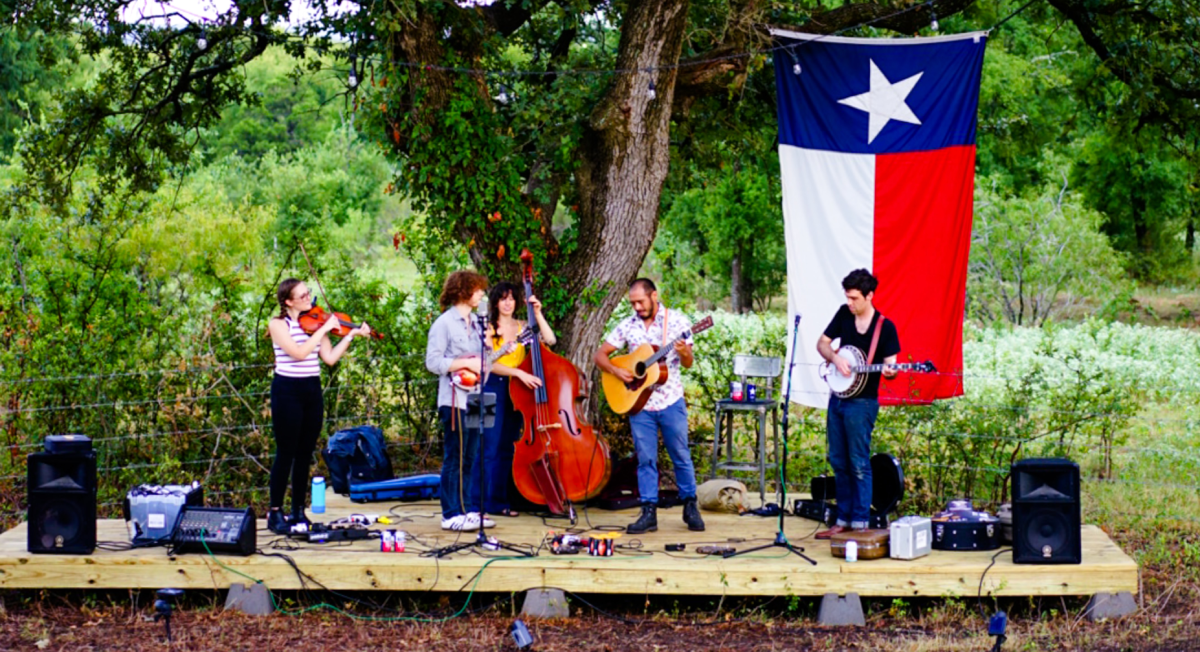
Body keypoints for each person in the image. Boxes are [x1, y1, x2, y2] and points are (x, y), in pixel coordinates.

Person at [593, 278, 705, 534]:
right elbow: (600, 355)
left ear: (654, 296)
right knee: (645, 459)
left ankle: (690, 505)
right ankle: (648, 511)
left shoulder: (676, 322)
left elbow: (687, 362)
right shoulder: (628, 325)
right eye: (632, 303)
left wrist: (684, 352)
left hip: (670, 401)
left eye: (640, 301)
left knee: (681, 454)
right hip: (639, 404)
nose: (637, 307)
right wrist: (617, 371)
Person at [267, 278, 371, 535]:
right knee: (285, 453)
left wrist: (352, 335)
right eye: (302, 296)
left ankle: (297, 511)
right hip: (287, 390)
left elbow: (330, 358)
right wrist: (323, 330)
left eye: (308, 294)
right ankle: (275, 511)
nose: (308, 298)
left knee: (304, 454)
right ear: (288, 301)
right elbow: (299, 353)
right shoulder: (278, 324)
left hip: (311, 390)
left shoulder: (314, 323)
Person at [814, 268, 901, 539]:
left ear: (869, 295)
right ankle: (843, 518)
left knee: (859, 463)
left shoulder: (884, 328)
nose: (849, 303)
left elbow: (892, 366)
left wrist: (891, 372)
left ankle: (861, 522)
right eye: (847, 298)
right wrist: (835, 358)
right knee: (838, 460)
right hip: (837, 399)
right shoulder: (843, 314)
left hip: (862, 403)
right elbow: (822, 344)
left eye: (854, 298)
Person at [425, 270, 496, 532]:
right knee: (455, 455)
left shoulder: (478, 322)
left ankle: (468, 510)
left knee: (473, 456)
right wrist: (463, 363)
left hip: (479, 396)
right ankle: (450, 513)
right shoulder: (444, 324)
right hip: (454, 398)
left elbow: (483, 363)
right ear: (464, 291)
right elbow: (432, 362)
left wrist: (494, 350)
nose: (481, 294)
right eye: (477, 290)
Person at [482, 282, 555, 517]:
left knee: (506, 446)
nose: (507, 303)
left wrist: (537, 313)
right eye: (503, 298)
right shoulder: (488, 327)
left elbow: (550, 340)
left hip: (516, 390)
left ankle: (498, 502)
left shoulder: (524, 326)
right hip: (490, 386)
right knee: (487, 445)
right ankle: (476, 502)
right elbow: (488, 364)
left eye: (512, 298)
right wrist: (519, 373)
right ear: (495, 302)